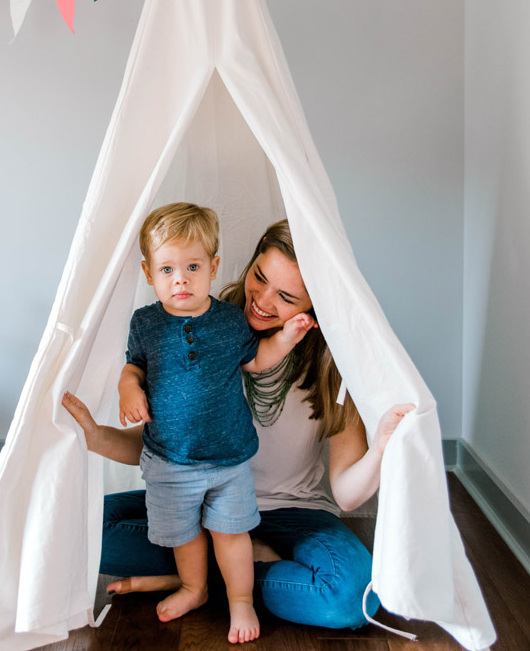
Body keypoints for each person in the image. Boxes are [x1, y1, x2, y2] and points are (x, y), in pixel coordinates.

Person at [62, 218, 414, 636]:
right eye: (259, 278)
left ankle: (211, 579)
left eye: (285, 297)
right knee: (77, 528)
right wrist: (95, 436)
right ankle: (212, 573)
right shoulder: (207, 321)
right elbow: (167, 443)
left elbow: (348, 495)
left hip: (288, 513)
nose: (262, 301)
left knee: (350, 597)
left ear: (315, 307)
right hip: (192, 496)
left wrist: (380, 450)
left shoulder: (332, 368)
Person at [115, 203, 312, 644]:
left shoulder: (228, 320)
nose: (180, 279)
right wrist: (128, 388)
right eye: (167, 269)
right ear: (149, 274)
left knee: (231, 533)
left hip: (228, 460)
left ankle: (241, 600)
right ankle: (195, 587)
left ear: (214, 267)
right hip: (170, 460)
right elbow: (135, 368)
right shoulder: (145, 322)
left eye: (192, 266)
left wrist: (286, 336)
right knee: (183, 537)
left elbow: (256, 360)